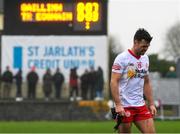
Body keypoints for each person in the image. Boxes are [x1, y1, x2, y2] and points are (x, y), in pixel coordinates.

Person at [110, 28, 157, 133]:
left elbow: (147, 82)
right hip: (124, 106)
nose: (145, 49)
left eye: (147, 47)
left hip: (140, 105)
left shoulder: (145, 59)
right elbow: (114, 81)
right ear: (135, 42)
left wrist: (152, 103)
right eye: (143, 46)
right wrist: (118, 104)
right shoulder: (122, 58)